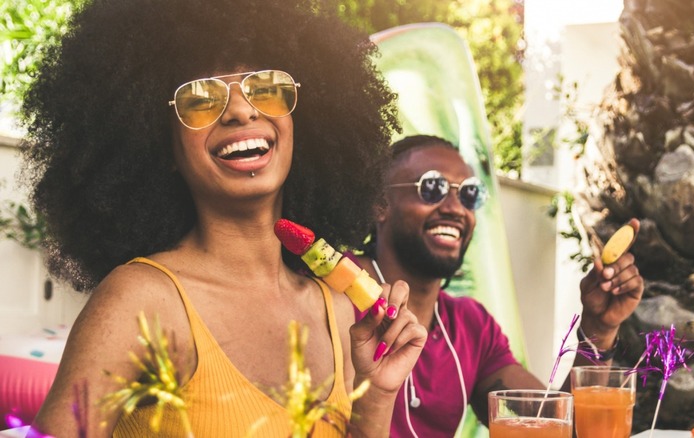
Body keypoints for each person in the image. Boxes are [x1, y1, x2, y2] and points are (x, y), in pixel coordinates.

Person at [20, 0, 427, 436]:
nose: (241, 110)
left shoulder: (341, 311)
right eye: (201, 98)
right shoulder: (140, 302)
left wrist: (377, 394)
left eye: (266, 87)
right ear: (161, 142)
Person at [353, 134, 645, 437]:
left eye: (469, 194)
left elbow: (558, 426)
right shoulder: (329, 294)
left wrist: (599, 327)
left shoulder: (469, 325)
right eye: (432, 188)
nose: (456, 208)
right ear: (379, 203)